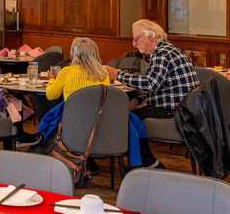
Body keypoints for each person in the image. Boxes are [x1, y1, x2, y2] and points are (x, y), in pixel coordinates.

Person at [104, 19, 199, 169]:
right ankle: (144, 162)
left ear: (151, 36)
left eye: (136, 39)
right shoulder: (168, 49)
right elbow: (161, 86)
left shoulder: (162, 53)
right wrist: (141, 100)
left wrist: (117, 74)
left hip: (177, 112)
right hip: (186, 109)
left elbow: (151, 84)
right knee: (133, 112)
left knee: (127, 118)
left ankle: (148, 162)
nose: (134, 44)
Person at [46, 37, 110, 102]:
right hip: (97, 108)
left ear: (73, 54)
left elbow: (51, 95)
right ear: (95, 53)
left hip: (73, 108)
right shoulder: (104, 73)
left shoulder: (66, 72)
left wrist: (52, 80)